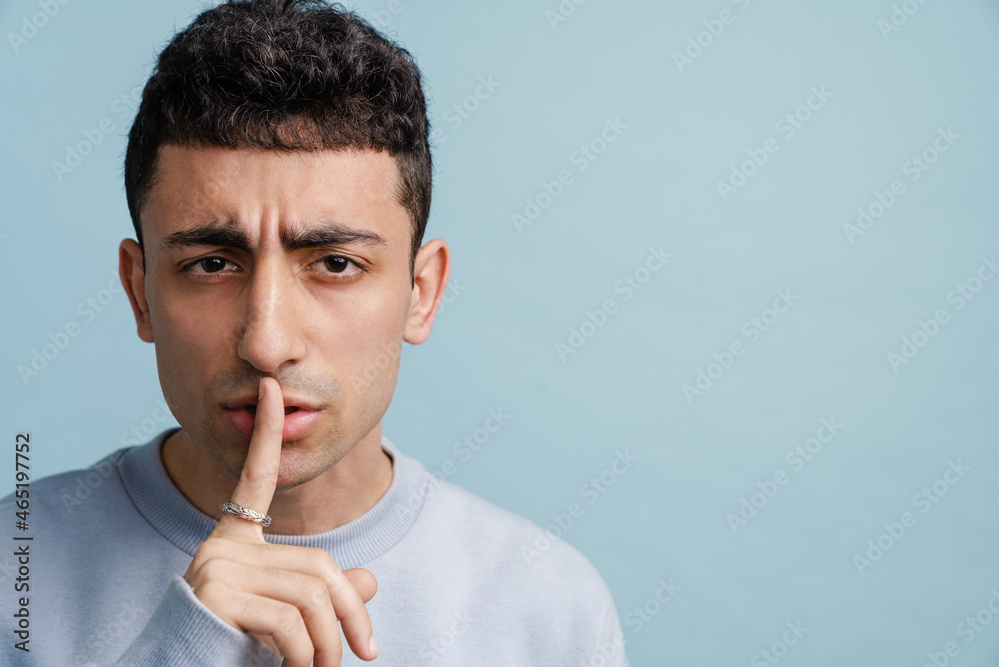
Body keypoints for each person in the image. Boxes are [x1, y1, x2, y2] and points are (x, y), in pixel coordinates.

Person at [0, 1, 628, 665]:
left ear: (422, 292)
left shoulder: (551, 609)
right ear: (140, 291)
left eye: (335, 264)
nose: (267, 344)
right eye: (212, 263)